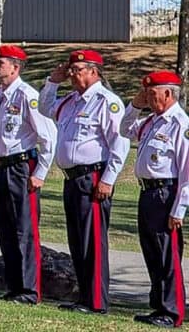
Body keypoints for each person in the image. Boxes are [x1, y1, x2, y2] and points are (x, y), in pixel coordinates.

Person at [39, 50, 130, 314]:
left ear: (93, 71)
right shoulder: (71, 101)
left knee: (93, 242)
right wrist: (52, 82)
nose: (72, 74)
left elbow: (119, 144)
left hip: (93, 177)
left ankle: (98, 302)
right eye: (71, 69)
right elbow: (45, 108)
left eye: (78, 69)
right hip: (72, 179)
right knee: (77, 240)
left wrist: (108, 180)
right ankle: (84, 297)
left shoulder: (106, 102)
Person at [0, 45, 56, 305]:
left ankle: (29, 290)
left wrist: (40, 172)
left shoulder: (28, 96)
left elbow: (48, 137)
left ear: (16, 67)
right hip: (0, 167)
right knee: (5, 229)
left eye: (1, 63)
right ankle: (15, 285)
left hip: (21, 167)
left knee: (24, 230)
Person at [120, 70, 187, 328]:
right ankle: (159, 305)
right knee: (152, 252)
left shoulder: (180, 124)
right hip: (147, 191)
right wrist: (135, 104)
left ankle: (172, 312)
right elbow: (125, 129)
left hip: (166, 194)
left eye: (152, 93)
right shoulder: (152, 121)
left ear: (168, 94)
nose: (148, 97)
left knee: (167, 255)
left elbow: (187, 171)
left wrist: (179, 209)